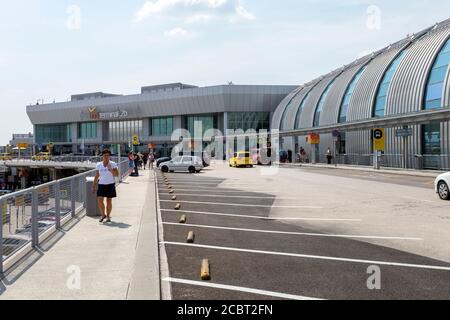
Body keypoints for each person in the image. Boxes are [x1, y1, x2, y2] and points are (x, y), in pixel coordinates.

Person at [92, 149, 119, 223]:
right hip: (101, 185)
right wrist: (94, 185)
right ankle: (103, 214)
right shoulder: (99, 164)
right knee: (100, 201)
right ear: (102, 156)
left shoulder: (113, 164)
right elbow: (97, 175)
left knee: (109, 201)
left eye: (108, 155)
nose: (106, 157)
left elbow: (116, 174)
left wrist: (110, 169)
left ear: (109, 156)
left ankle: (108, 216)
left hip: (110, 184)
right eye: (105, 155)